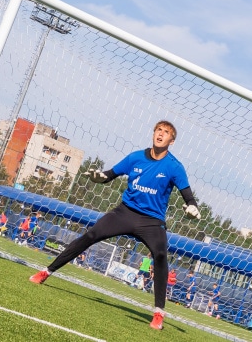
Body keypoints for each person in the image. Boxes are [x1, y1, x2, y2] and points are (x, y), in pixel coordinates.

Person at [29, 121, 200, 331]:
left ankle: (158, 314)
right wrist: (98, 177)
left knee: (161, 256)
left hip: (152, 221)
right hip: (125, 213)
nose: (161, 134)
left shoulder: (174, 167)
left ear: (171, 141)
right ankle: (46, 272)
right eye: (158, 130)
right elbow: (108, 175)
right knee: (90, 235)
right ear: (153, 133)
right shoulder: (135, 157)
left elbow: (189, 198)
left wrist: (192, 208)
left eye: (166, 133)